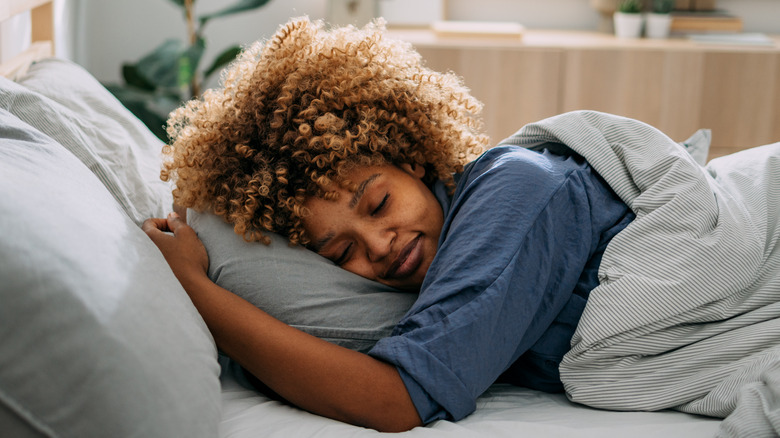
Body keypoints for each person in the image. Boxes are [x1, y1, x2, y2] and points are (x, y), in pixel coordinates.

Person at [143, 17, 634, 432]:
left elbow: (396, 400)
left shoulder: (514, 190)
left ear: (412, 161)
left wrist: (195, 287)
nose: (378, 247)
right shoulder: (429, 267)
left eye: (378, 204)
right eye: (341, 254)